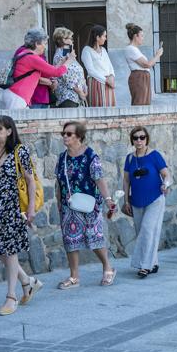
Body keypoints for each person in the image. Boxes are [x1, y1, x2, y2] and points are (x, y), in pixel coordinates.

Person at [0, 116, 42, 315]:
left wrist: (30, 209)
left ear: (9, 131)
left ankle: (11, 297)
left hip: (14, 206)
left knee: (10, 251)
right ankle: (27, 281)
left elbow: (30, 181)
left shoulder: (19, 151)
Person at [55, 121, 117, 288]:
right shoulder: (62, 157)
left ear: (79, 137)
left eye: (69, 134)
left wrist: (108, 199)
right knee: (70, 240)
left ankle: (108, 268)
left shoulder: (91, 156)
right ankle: (74, 277)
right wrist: (58, 201)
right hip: (69, 206)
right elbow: (59, 181)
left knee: (94, 238)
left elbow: (99, 179)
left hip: (90, 205)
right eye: (64, 134)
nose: (65, 136)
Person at [122, 127, 171, 277]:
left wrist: (165, 184)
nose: (139, 140)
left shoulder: (155, 156)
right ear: (132, 140)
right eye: (136, 138)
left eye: (142, 137)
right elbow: (126, 180)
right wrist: (126, 201)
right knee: (142, 233)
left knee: (148, 229)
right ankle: (153, 262)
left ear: (147, 139)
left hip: (155, 199)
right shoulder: (130, 159)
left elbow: (167, 175)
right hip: (136, 201)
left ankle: (144, 266)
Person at [4, 28, 72, 110]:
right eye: (44, 43)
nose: (45, 47)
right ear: (37, 44)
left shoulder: (26, 54)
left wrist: (62, 62)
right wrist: (69, 61)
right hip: (18, 95)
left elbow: (48, 73)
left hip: (17, 95)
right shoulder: (32, 58)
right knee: (17, 122)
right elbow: (56, 72)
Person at [124, 23, 164, 105]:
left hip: (143, 77)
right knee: (140, 103)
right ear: (135, 36)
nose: (143, 38)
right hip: (139, 77)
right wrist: (158, 55)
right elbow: (147, 64)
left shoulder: (135, 49)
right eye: (141, 36)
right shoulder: (131, 49)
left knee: (145, 103)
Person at [52, 27, 88, 108]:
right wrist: (80, 92)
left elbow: (79, 73)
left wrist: (85, 88)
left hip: (76, 97)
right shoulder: (60, 55)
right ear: (62, 40)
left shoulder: (69, 54)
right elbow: (67, 77)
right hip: (68, 97)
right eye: (69, 38)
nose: (72, 40)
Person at [81, 25, 116, 107]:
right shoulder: (87, 50)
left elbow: (110, 66)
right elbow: (90, 70)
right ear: (97, 37)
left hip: (108, 83)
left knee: (110, 106)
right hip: (96, 82)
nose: (105, 38)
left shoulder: (103, 50)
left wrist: (112, 76)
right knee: (99, 106)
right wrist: (105, 80)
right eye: (104, 36)